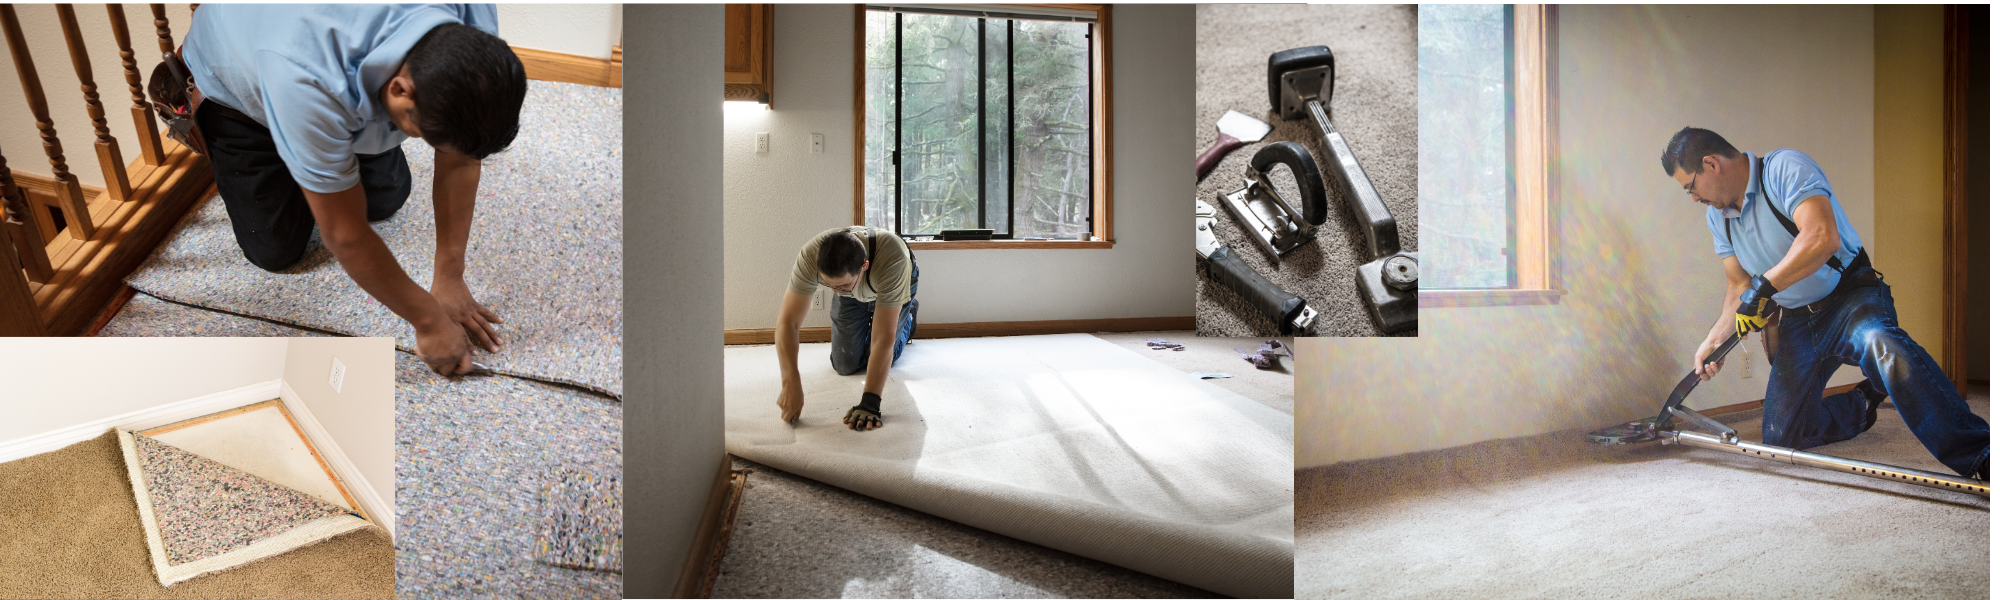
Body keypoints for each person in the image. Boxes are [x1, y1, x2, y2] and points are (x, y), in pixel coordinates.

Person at [170, 4, 525, 375]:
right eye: (420, 133)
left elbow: (461, 158)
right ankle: (301, 146)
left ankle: (317, 149)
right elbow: (346, 235)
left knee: (387, 196)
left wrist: (450, 276)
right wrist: (428, 321)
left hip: (318, 81)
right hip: (238, 94)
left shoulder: (470, 17)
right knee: (274, 249)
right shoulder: (302, 72)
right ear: (401, 88)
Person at [1662, 127, 1988, 480]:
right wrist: (1714, 341)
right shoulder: (1718, 217)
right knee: (1780, 437)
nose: (1693, 198)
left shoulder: (1783, 168)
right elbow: (1738, 286)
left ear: (1711, 164)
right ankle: (1860, 406)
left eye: (1690, 187)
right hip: (1800, 323)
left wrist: (1764, 288)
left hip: (1851, 300)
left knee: (1882, 346)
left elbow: (1821, 236)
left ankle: (1980, 454)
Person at [772, 226, 920, 431]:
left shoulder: (893, 260)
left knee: (883, 355)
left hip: (894, 281)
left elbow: (883, 338)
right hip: (853, 293)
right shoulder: (809, 256)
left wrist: (870, 402)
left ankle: (908, 318)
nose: (834, 291)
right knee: (844, 364)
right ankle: (862, 304)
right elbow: (788, 322)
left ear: (864, 266)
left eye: (839, 286)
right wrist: (790, 381)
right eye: (828, 284)